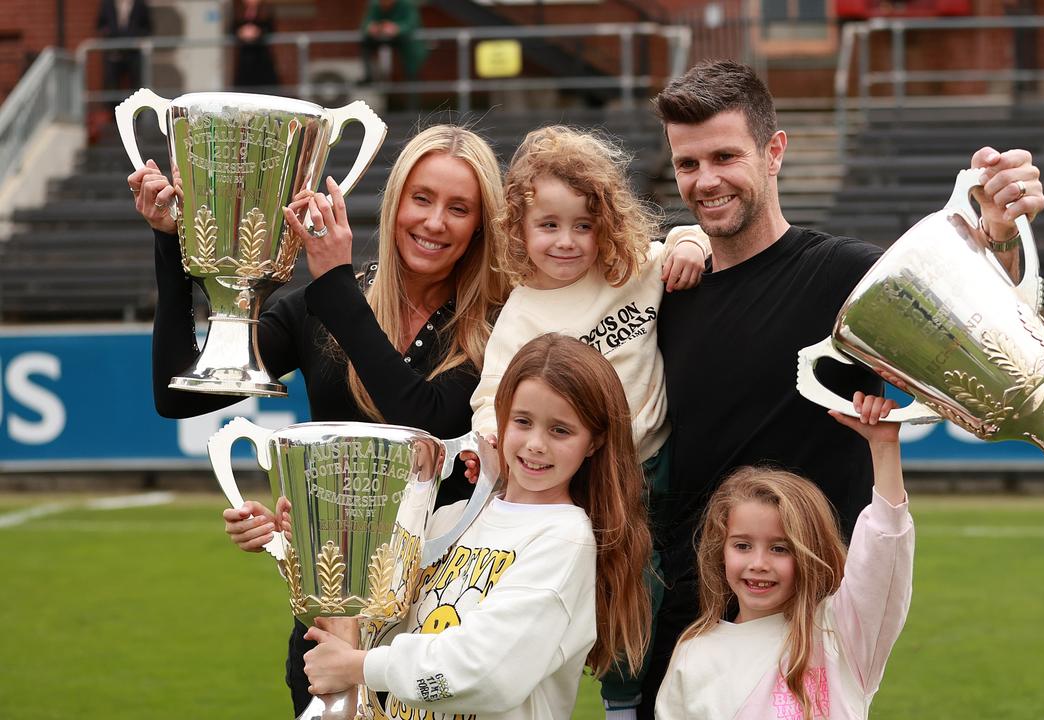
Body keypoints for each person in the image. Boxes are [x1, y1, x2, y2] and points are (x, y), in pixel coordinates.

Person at [641, 59, 1044, 717]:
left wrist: (998, 241)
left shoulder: (852, 281)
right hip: (684, 632)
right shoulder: (665, 294)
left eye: (724, 156)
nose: (705, 180)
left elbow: (992, 352)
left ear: (775, 152)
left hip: (812, 642)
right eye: (687, 165)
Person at [126, 124, 508, 717]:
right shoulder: (319, 306)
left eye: (459, 208)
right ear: (395, 203)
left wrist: (334, 284)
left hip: (444, 621)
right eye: (422, 198)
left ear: (481, 225)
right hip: (327, 627)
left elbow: (423, 422)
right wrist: (170, 248)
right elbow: (178, 395)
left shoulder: (498, 326)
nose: (435, 222)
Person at [467, 124, 707, 718]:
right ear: (520, 230)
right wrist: (488, 433)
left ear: (607, 224)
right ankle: (598, 697)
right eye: (549, 225)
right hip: (589, 482)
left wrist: (690, 245)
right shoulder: (524, 312)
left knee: (660, 594)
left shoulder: (633, 270)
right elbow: (491, 393)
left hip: (657, 460)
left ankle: (636, 701)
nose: (567, 242)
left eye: (584, 225)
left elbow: (693, 237)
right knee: (602, 598)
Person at [301, 333, 654, 720]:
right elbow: (373, 613)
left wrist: (359, 666)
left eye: (560, 430)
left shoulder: (564, 539)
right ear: (500, 417)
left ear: (593, 442)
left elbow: (486, 673)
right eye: (522, 421)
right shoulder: (451, 518)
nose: (536, 444)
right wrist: (301, 537)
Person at [655, 391, 913, 719]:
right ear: (720, 551)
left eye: (779, 548)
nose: (758, 564)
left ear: (809, 553)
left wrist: (884, 447)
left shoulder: (839, 633)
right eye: (742, 545)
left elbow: (884, 553)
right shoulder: (694, 654)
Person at [360, 0, 428, 84]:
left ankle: (411, 80)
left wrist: (397, 29)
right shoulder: (375, 4)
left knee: (412, 69)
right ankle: (369, 77)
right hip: (380, 38)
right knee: (366, 44)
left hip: (405, 41)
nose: (385, 3)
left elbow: (412, 24)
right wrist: (370, 28)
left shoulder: (406, 4)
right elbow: (366, 23)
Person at [96, 0, 152, 93]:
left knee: (137, 84)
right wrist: (108, 34)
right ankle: (113, 107)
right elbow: (100, 25)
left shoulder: (140, 4)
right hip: (113, 51)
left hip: (134, 52)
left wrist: (138, 37)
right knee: (111, 84)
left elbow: (148, 27)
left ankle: (137, 106)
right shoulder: (107, 3)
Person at [231, 0, 279, 89]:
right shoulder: (238, 11)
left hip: (261, 55)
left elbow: (270, 28)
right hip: (245, 56)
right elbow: (232, 29)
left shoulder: (266, 11)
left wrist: (257, 32)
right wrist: (241, 32)